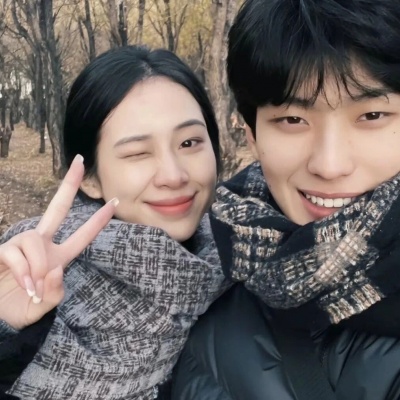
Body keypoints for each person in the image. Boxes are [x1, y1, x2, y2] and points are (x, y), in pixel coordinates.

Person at [171, 0, 400, 399]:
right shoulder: (208, 322)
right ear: (252, 135)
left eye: (372, 116)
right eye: (293, 120)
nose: (329, 165)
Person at [0, 45, 227, 399]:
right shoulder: (26, 277)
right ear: (90, 178)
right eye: (137, 153)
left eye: (189, 142)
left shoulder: (245, 264)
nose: (174, 175)